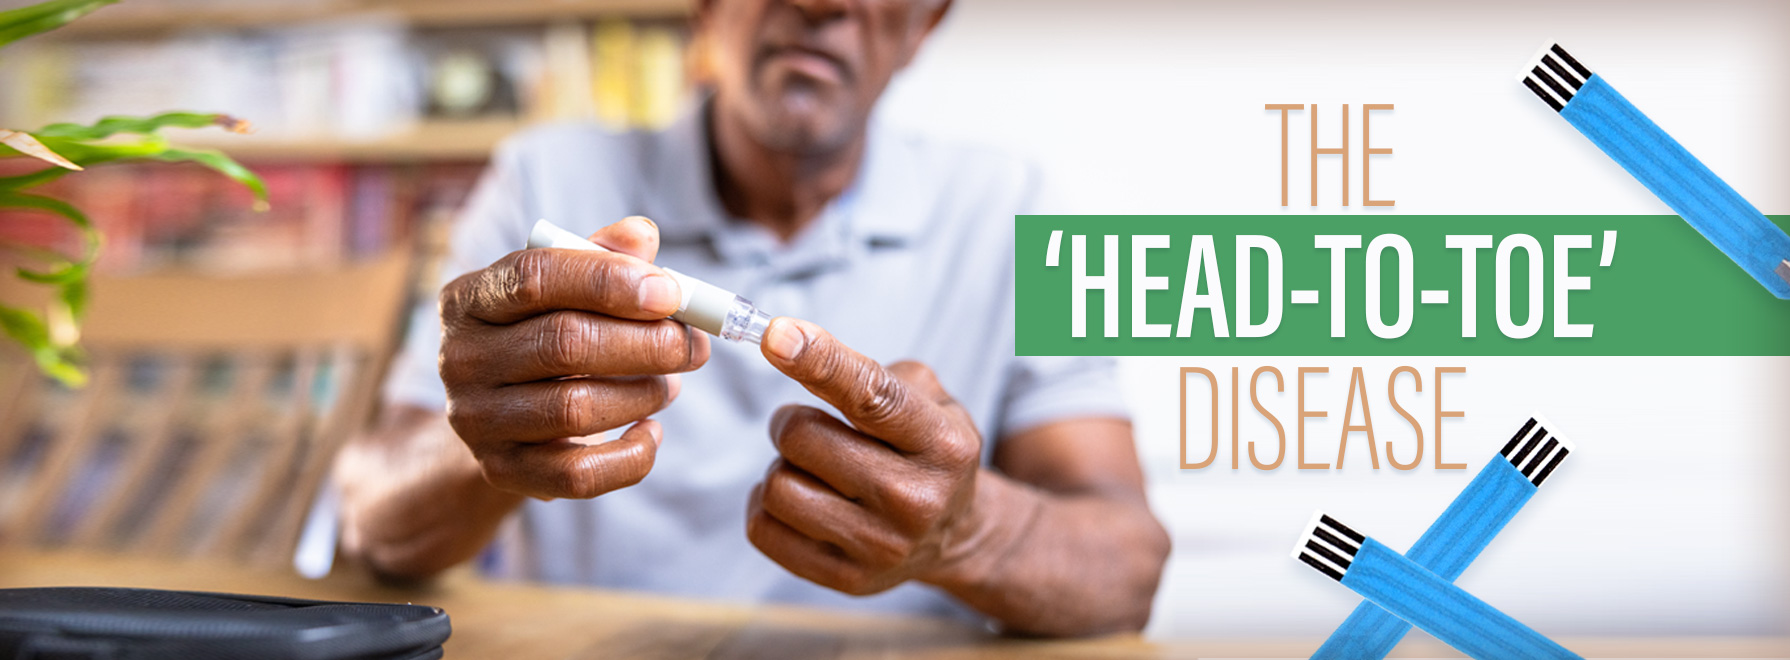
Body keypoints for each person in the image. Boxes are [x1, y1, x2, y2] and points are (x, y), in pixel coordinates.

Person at [333, 0, 1169, 636]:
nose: (820, 4)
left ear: (924, 24)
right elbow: (374, 522)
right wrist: (483, 440)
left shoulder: (1014, 212)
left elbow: (1130, 569)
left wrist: (968, 532)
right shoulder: (546, 180)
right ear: (705, 11)